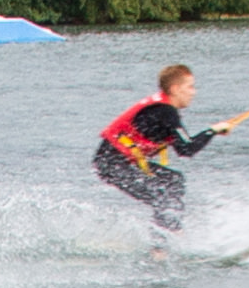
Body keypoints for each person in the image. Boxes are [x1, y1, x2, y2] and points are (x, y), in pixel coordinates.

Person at [92, 64, 216, 229]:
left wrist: (211, 132)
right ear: (175, 89)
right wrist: (212, 131)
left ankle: (170, 232)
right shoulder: (165, 112)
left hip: (125, 161)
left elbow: (183, 146)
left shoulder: (164, 110)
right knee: (162, 197)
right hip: (110, 164)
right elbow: (187, 149)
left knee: (173, 180)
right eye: (190, 87)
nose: (194, 92)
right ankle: (164, 241)